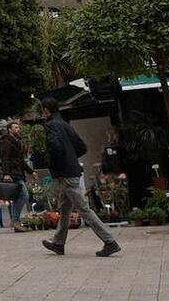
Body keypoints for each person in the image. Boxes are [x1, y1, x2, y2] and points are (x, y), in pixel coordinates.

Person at [39, 97, 120, 258]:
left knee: (84, 209)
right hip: (72, 171)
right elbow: (82, 146)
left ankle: (110, 241)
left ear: (47, 110)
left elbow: (55, 149)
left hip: (65, 175)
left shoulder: (51, 126)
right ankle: (58, 242)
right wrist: (71, 158)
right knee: (64, 208)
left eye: (42, 109)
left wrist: (59, 171)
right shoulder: (65, 125)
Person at [0, 121, 34, 232]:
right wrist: (6, 173)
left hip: (18, 172)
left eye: (18, 127)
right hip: (13, 173)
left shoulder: (16, 142)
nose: (18, 129)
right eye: (16, 127)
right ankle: (15, 220)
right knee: (24, 195)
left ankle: (15, 221)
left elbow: (21, 160)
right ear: (10, 129)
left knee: (16, 198)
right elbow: (5, 158)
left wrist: (31, 171)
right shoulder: (6, 142)